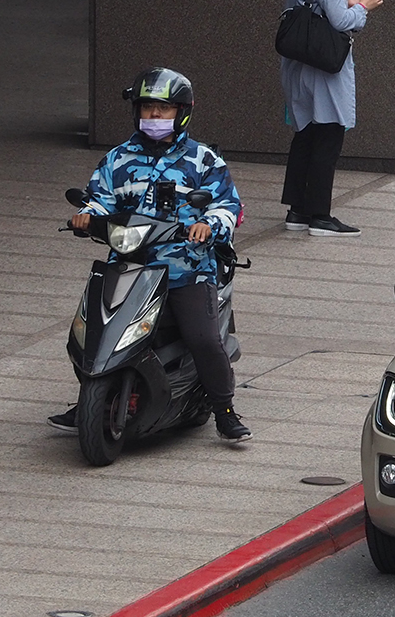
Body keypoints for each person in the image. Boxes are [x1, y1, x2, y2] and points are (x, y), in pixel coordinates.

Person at [48, 68, 252, 443]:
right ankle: (89, 399)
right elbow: (99, 198)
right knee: (90, 332)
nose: (154, 117)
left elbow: (226, 204)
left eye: (163, 109)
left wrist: (209, 224)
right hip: (128, 265)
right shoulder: (117, 158)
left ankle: (224, 409)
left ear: (182, 112)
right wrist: (86, 215)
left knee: (203, 338)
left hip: (186, 269)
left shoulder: (203, 160)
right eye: (147, 109)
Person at [279, 0, 385, 236]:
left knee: (306, 134)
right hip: (322, 68)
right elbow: (339, 21)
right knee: (328, 135)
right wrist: (363, 9)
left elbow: (316, 8)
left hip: (299, 63)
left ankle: (297, 210)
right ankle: (320, 216)